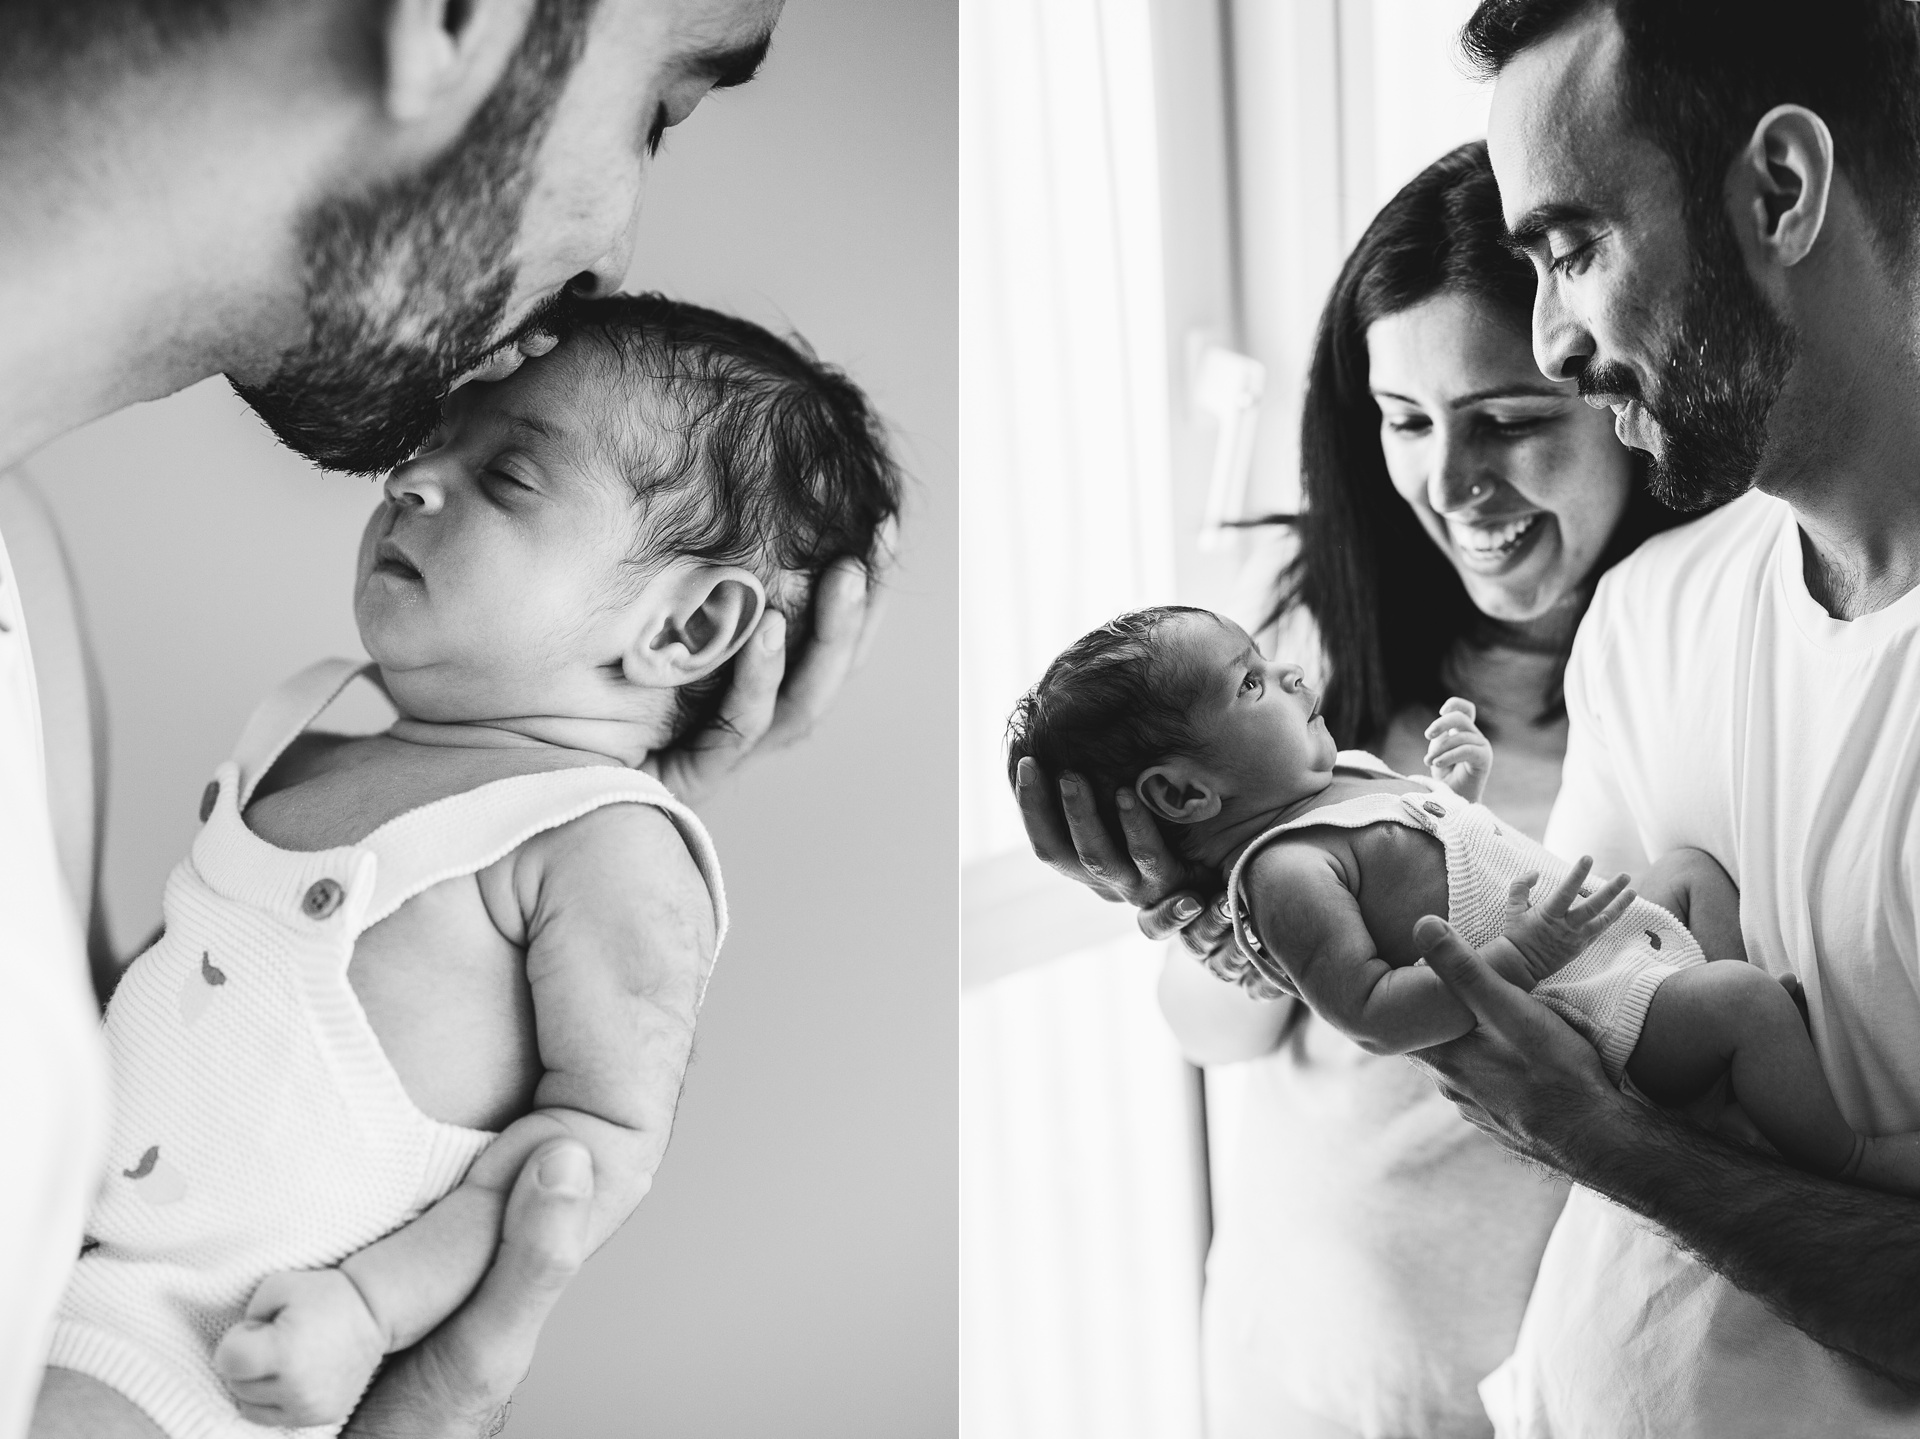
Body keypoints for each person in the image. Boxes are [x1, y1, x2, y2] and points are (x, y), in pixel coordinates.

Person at [0, 4, 888, 1437]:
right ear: (452, 18)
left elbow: (580, 1145)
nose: (414, 484)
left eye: (511, 480)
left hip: (209, 1350)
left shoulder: (27, 581)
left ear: (689, 626)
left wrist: (380, 1310)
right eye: (656, 108)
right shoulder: (305, 710)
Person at [1018, 143, 1673, 1439]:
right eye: (1408, 420)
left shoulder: (1686, 672)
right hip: (1289, 1349)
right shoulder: (1299, 672)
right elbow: (1220, 1035)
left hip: (1522, 1393)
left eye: (1511, 418)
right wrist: (1197, 904)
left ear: (1619, 393)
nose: (1450, 483)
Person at [1393, 1, 1920, 1432]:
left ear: (1782, 191)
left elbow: (1574, 1102)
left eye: (1572, 248)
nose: (1551, 341)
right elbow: (1571, 1025)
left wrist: (1613, 1138)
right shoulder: (1655, 614)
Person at [1014, 604, 1920, 1192]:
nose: (1290, 675)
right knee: (1748, 1002)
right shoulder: (1280, 872)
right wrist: (1522, 954)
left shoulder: (1337, 778)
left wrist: (1458, 786)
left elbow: (1438, 865)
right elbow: (1372, 1014)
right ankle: (1842, 1153)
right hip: (1571, 1014)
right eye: (1251, 682)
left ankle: (1735, 1084)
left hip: (1594, 951)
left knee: (1690, 871)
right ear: (1182, 796)